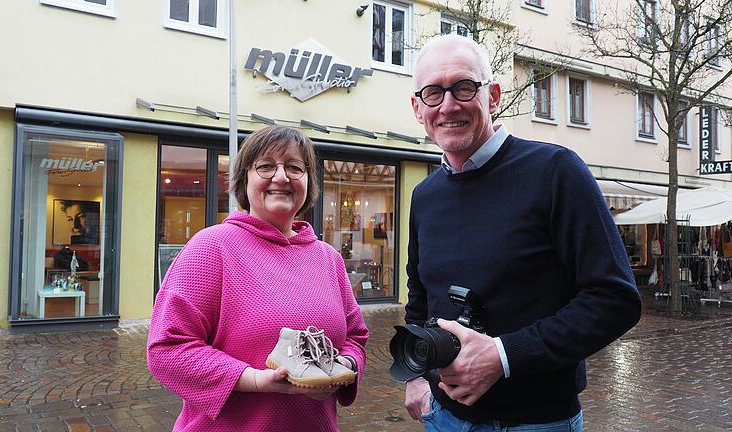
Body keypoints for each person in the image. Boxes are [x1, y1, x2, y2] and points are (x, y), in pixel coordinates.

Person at [403, 34, 641, 431]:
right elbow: (419, 298)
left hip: (537, 421)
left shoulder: (556, 172)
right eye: (432, 92)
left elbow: (615, 299)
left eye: (464, 87)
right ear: (417, 108)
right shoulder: (425, 195)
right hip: (444, 419)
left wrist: (503, 355)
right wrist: (414, 375)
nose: (448, 105)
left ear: (492, 96)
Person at [147, 125, 368, 431]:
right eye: (265, 166)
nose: (281, 177)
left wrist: (343, 367)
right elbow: (167, 349)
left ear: (307, 181)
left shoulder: (327, 258)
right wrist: (251, 379)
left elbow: (356, 338)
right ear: (244, 179)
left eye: (294, 167)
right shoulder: (212, 247)